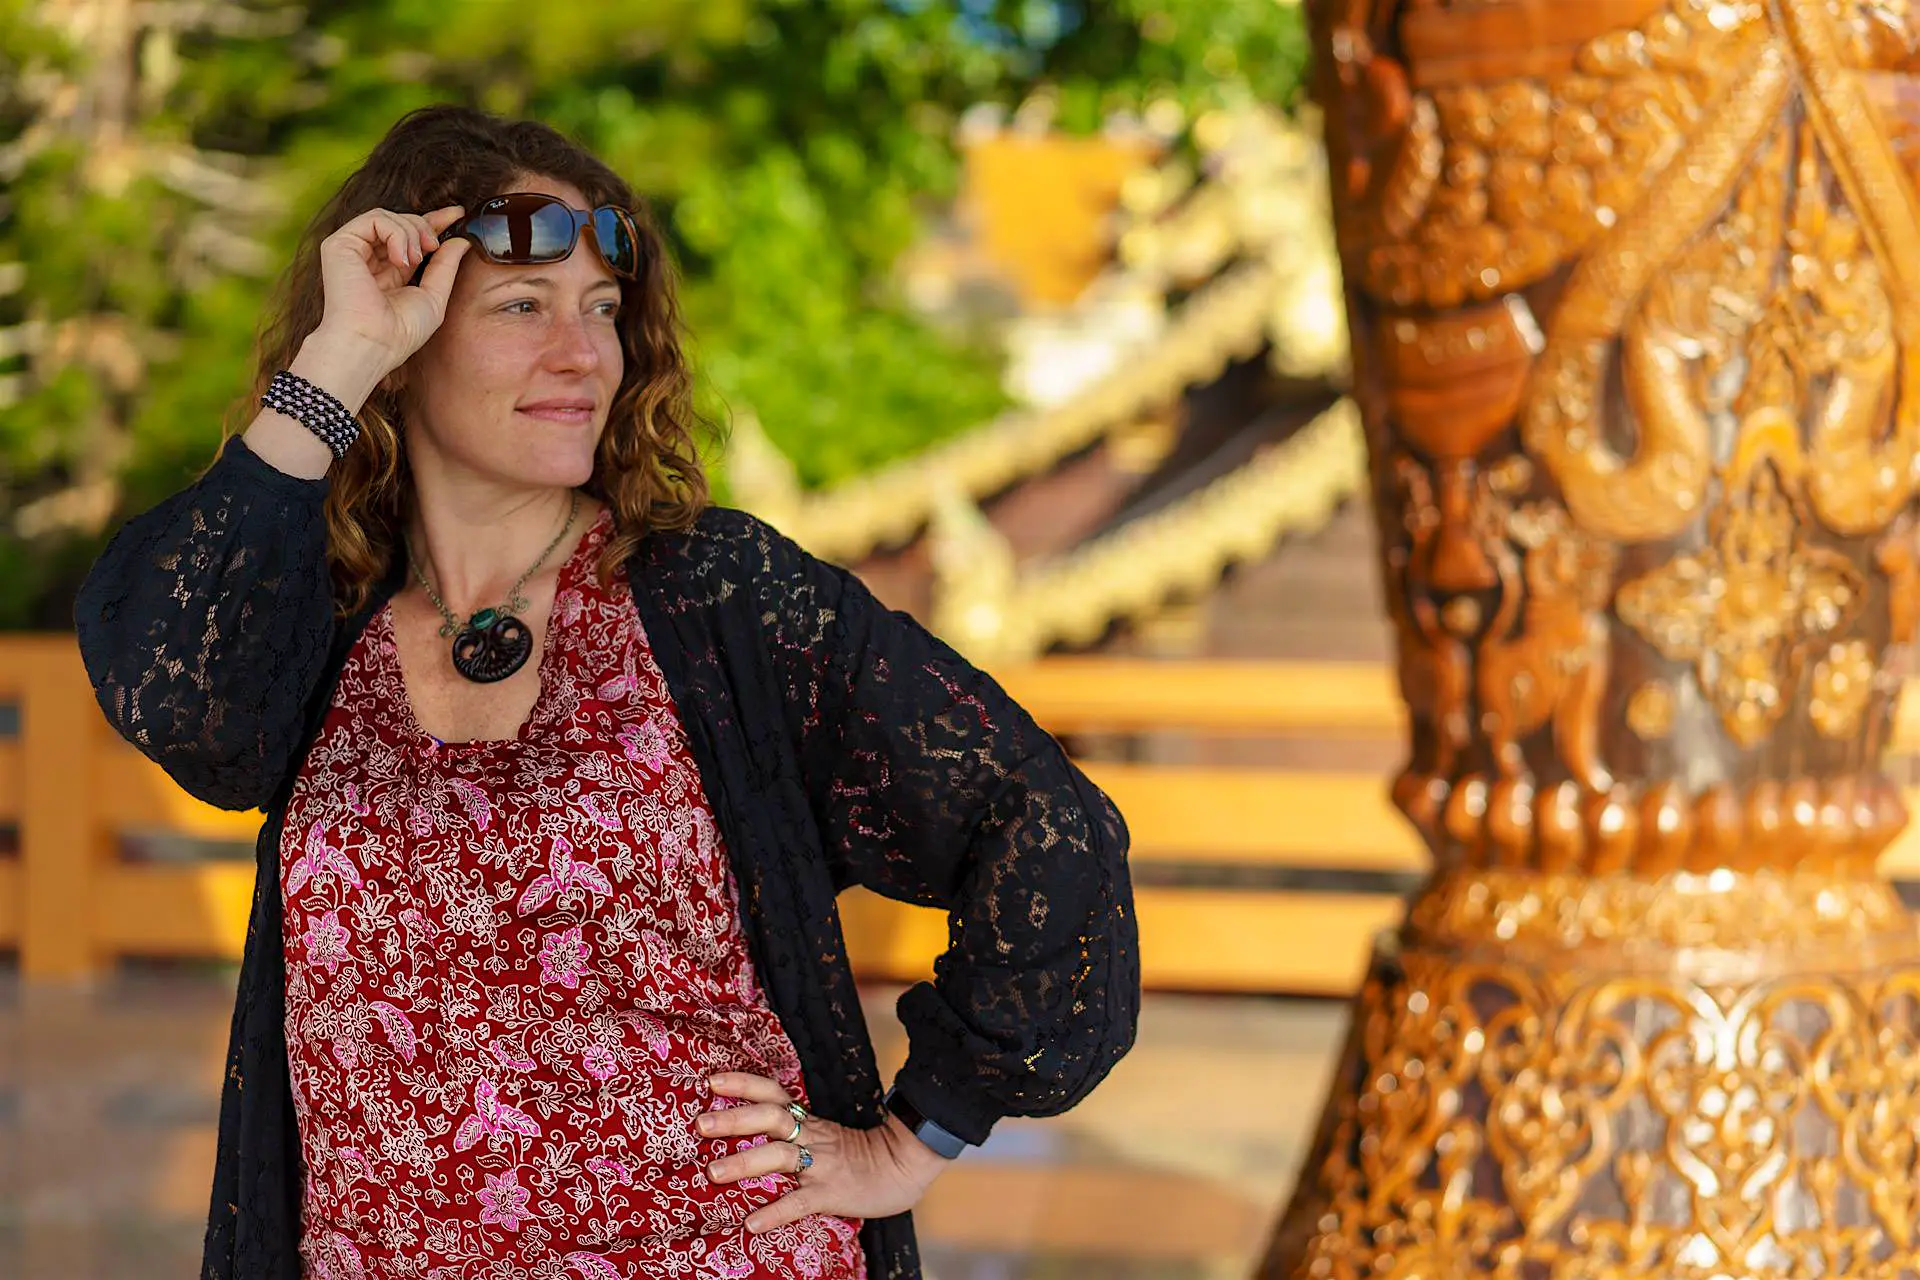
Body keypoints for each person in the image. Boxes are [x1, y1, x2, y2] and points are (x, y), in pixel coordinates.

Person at [71, 104, 1138, 1280]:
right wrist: (339, 354)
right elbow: (166, 688)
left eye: (601, 310)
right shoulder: (316, 626)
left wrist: (911, 1136)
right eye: (522, 306)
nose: (581, 354)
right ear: (412, 338)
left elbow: (1045, 825)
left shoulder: (715, 595)